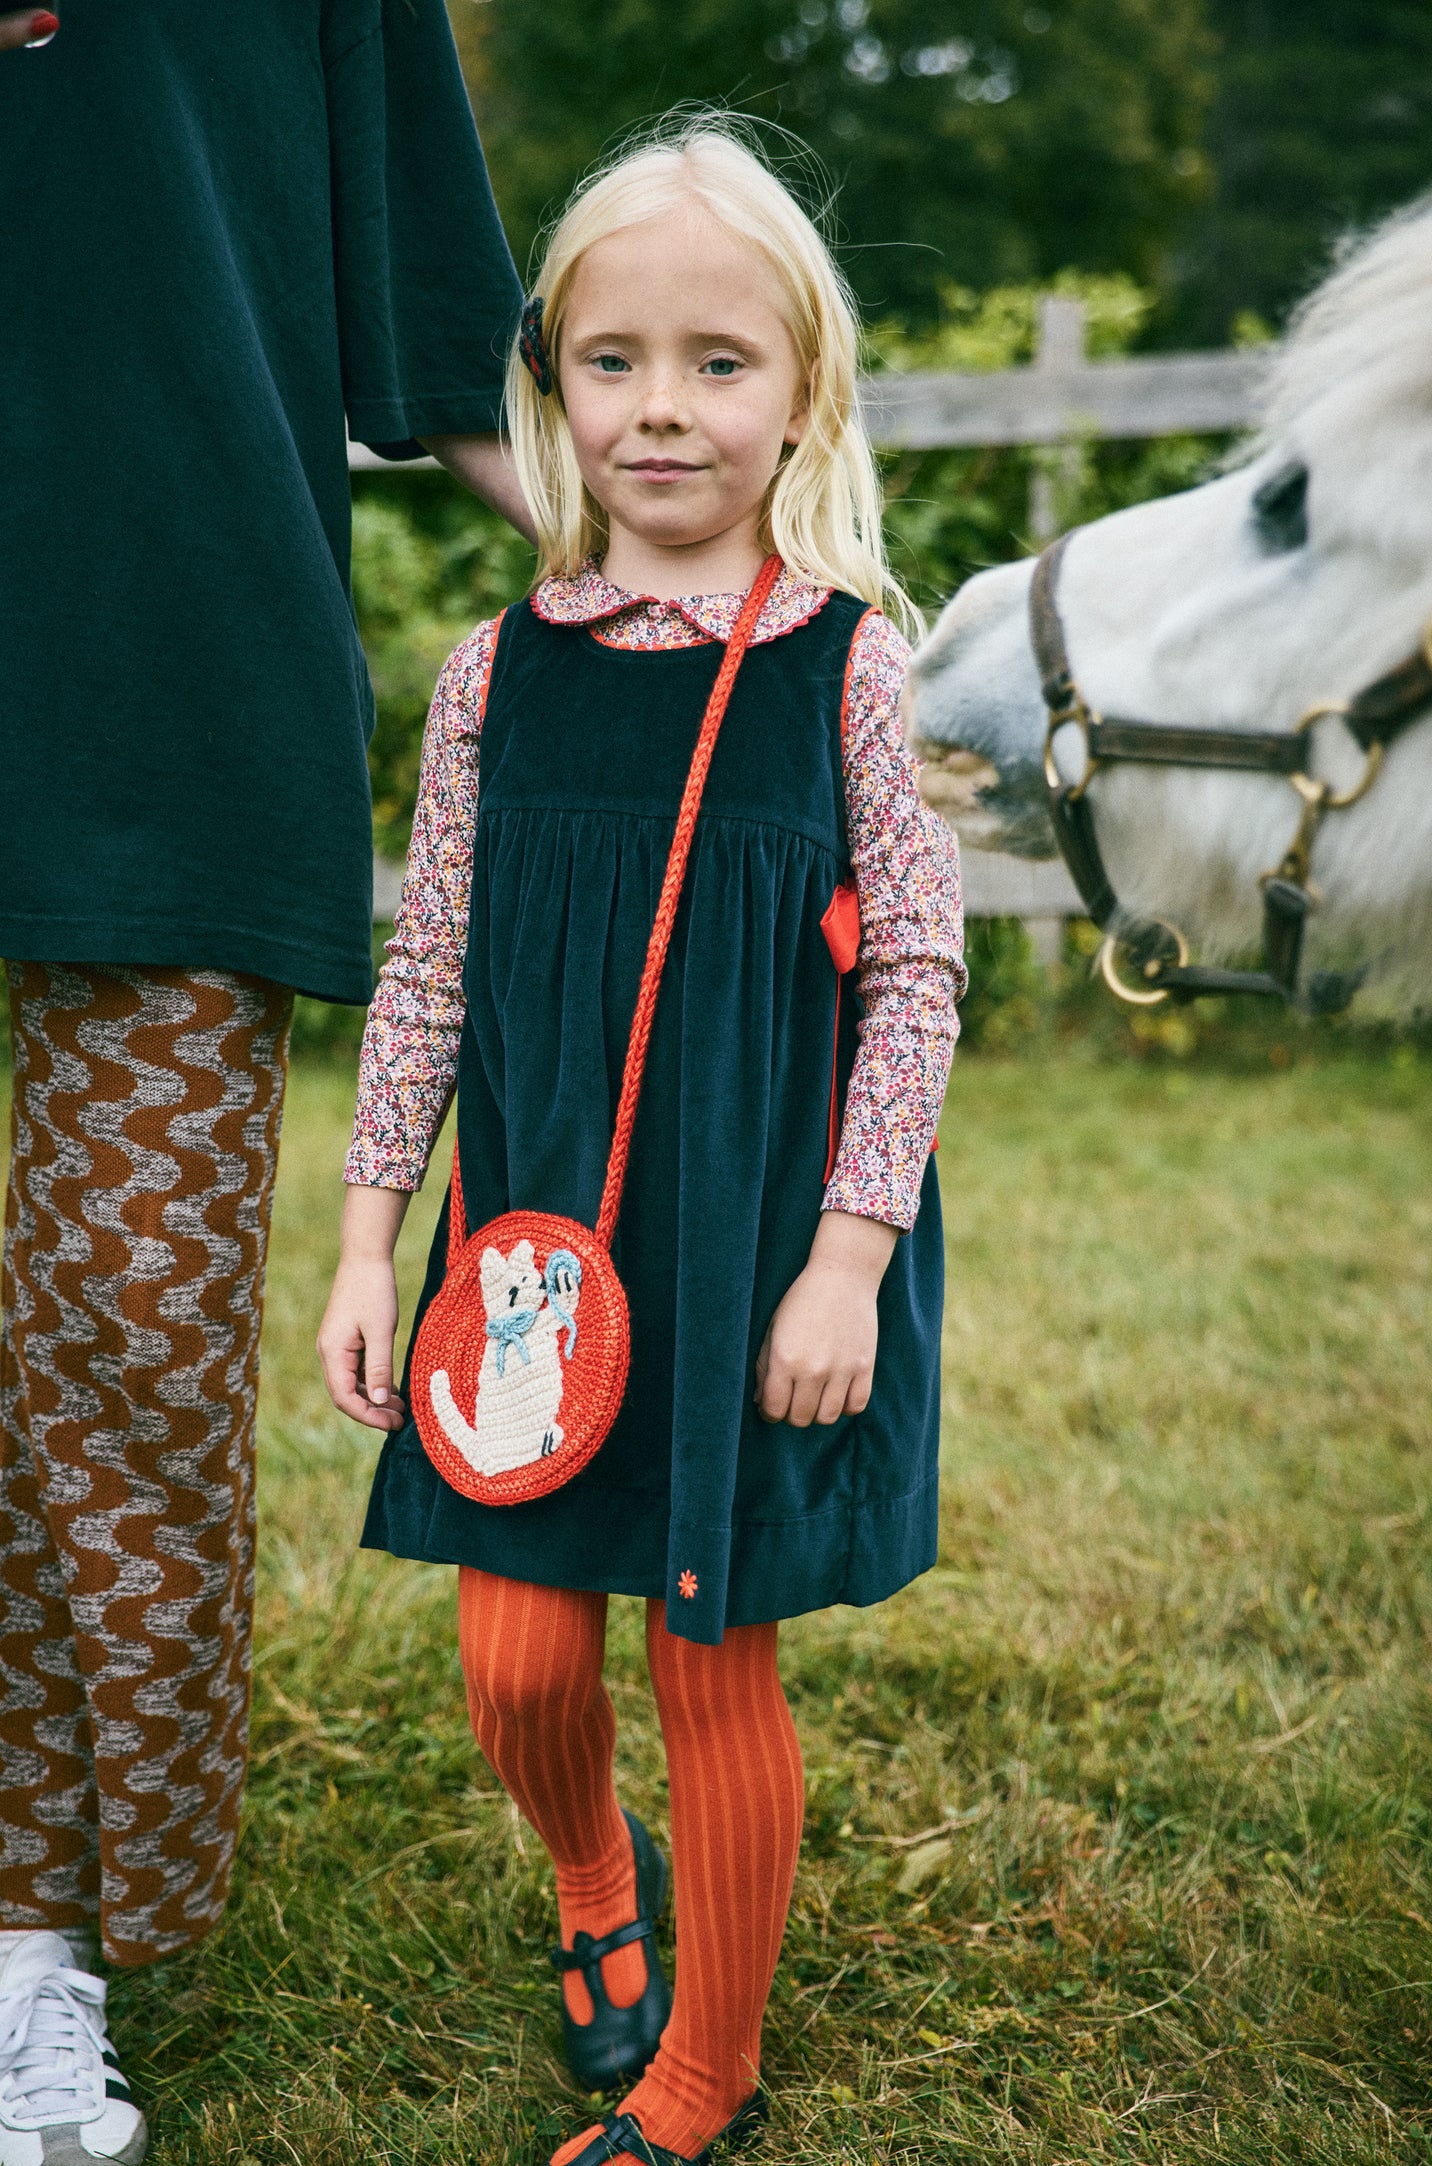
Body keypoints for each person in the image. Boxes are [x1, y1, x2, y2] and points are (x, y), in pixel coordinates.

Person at [318, 119, 966, 2166]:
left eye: (717, 362)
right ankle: (601, 1891)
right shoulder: (492, 679)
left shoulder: (853, 667)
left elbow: (923, 978)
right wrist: (362, 1238)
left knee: (707, 1656)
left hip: (751, 1229)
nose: (661, 408)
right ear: (551, 383)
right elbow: (427, 967)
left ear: (801, 401)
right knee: (515, 1655)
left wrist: (848, 1260)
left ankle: (708, 2070)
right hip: (532, 1235)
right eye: (613, 360)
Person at [0, 6, 528, 2159]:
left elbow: (431, 311)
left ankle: (32, 1948)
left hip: (181, 685)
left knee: (125, 1353)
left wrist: (744, 587)